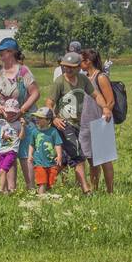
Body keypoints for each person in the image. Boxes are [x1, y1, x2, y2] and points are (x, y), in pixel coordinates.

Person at [0, 36, 39, 189]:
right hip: (5, 120)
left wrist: (22, 111)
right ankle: (11, 188)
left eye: (2, 51)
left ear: (11, 52)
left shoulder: (23, 71)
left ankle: (30, 187)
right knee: (8, 152)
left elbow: (35, 93)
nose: (0, 54)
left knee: (24, 154)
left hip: (24, 119)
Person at [49, 51, 97, 194]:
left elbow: (96, 95)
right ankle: (86, 190)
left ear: (78, 67)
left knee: (62, 160)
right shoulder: (59, 82)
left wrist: (106, 108)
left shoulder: (83, 80)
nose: (68, 69)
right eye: (65, 66)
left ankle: (43, 184)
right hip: (63, 124)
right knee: (78, 156)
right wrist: (54, 118)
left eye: (71, 67)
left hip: (77, 125)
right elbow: (49, 102)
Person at [79, 48, 117, 193]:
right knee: (91, 160)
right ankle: (94, 189)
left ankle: (110, 191)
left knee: (104, 159)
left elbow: (111, 101)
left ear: (88, 61)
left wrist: (103, 119)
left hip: (100, 122)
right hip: (86, 123)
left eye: (81, 60)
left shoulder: (100, 77)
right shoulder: (84, 77)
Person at [28, 105, 63, 192]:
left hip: (51, 162)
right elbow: (31, 144)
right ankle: (41, 198)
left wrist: (59, 155)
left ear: (48, 120)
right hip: (39, 161)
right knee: (42, 181)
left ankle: (45, 195)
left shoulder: (53, 132)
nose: (37, 119)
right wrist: (30, 154)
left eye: (40, 118)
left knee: (50, 183)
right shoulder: (34, 132)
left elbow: (57, 144)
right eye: (36, 117)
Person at [0, 99, 25, 193]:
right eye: (8, 112)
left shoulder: (17, 124)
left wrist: (23, 126)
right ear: (4, 112)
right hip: (1, 150)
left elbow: (21, 137)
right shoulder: (2, 122)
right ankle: (6, 190)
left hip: (11, 150)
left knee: (4, 170)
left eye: (13, 113)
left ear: (17, 113)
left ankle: (1, 190)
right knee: (0, 171)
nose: (11, 115)